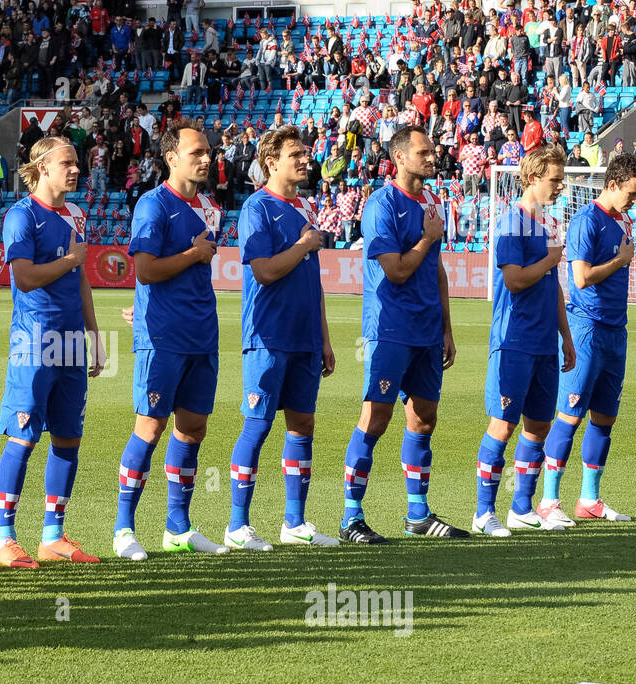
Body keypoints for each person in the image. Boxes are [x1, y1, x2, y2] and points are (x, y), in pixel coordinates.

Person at [339, 126, 468, 543]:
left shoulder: (433, 202)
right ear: (399, 157)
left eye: (433, 151)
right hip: (390, 328)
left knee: (424, 419)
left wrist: (447, 328)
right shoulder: (381, 204)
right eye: (424, 152)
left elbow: (439, 270)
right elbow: (395, 270)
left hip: (428, 331)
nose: (433, 157)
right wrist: (428, 238)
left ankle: (418, 515)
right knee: (376, 418)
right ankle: (351, 518)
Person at [112, 122, 228, 561]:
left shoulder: (210, 209)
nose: (206, 158)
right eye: (196, 151)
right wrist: (193, 255)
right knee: (151, 426)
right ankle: (124, 528)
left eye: (208, 152)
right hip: (163, 336)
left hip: (202, 334)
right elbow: (145, 270)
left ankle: (178, 526)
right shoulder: (153, 204)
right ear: (171, 157)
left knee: (193, 427)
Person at [0, 137, 107, 569]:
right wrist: (71, 260)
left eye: (76, 162)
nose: (75, 169)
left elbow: (81, 282)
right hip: (34, 341)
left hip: (72, 341)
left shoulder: (76, 215)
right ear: (41, 167)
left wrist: (93, 334)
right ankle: (5, 538)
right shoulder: (21, 215)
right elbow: (22, 277)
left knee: (68, 438)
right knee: (24, 437)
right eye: (67, 163)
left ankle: (53, 536)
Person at [225, 126, 339, 551]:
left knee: (302, 424)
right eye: (296, 153)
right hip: (268, 336)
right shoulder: (257, 207)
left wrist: (324, 339)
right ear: (271, 162)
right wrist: (305, 243)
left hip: (305, 339)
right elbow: (265, 271)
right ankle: (238, 525)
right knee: (258, 425)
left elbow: (315, 282)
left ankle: (294, 522)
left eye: (306, 153)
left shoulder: (305, 207)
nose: (306, 159)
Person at [538, 154, 636, 524]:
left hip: (616, 332)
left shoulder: (624, 221)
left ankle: (589, 501)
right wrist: (619, 262)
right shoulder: (587, 221)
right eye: (632, 194)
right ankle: (548, 502)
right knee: (569, 417)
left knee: (605, 419)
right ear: (614, 183)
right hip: (586, 328)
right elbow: (581, 279)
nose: (635, 201)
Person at [473, 146, 577, 536]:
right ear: (533, 177)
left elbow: (553, 290)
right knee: (502, 425)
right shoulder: (510, 223)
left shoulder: (547, 223)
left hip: (544, 344)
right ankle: (483, 513)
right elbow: (514, 279)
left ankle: (522, 507)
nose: (560, 184)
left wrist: (565, 337)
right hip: (513, 340)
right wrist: (550, 261)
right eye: (554, 178)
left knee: (538, 427)